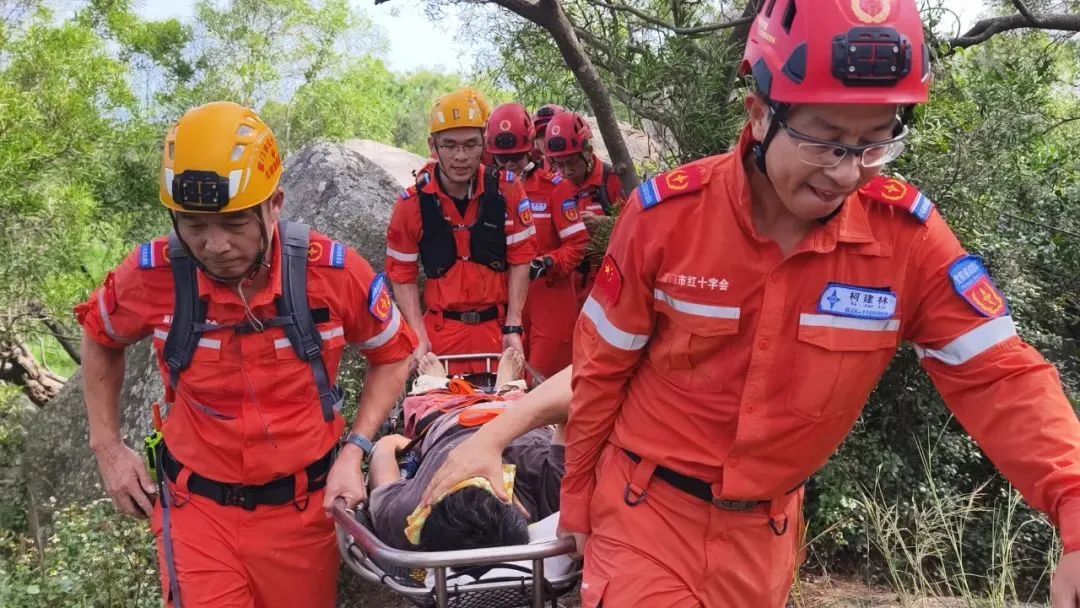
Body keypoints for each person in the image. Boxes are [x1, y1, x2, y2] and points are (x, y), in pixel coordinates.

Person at [560, 1, 1080, 607]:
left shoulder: (906, 241)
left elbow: (1001, 377)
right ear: (761, 114)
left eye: (874, 144)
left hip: (769, 540)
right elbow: (601, 369)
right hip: (645, 517)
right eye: (824, 140)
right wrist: (576, 499)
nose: (846, 170)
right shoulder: (666, 221)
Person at [75, 101, 416, 608]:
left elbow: (393, 352)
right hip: (197, 512)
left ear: (274, 205)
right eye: (193, 225)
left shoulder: (331, 272)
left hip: (304, 513)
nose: (214, 245)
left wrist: (356, 450)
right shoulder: (153, 274)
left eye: (235, 224)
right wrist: (107, 447)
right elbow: (101, 337)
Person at [386, 88, 538, 375]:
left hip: (497, 332)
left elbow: (521, 258)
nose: (461, 156)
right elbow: (401, 274)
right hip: (441, 335)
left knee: (506, 410)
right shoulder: (411, 204)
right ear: (433, 146)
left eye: (470, 145)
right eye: (450, 145)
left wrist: (514, 325)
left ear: (484, 144)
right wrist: (419, 337)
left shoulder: (507, 190)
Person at [367, 350, 564, 551]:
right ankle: (508, 388)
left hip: (450, 421)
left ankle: (438, 386)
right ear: (521, 509)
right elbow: (575, 388)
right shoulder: (556, 494)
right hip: (521, 414)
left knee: (433, 403)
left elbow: (383, 446)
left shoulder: (407, 514)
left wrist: (395, 442)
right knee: (519, 400)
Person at [487, 103, 588, 379]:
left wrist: (546, 262)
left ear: (530, 148)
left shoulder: (554, 189)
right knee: (508, 386)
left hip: (550, 299)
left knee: (543, 390)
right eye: (501, 159)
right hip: (506, 302)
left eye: (516, 158)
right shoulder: (486, 193)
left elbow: (578, 245)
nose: (509, 166)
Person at [544, 111, 625, 308]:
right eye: (558, 164)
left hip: (608, 279)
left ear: (587, 151)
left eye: (571, 162)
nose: (566, 171)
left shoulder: (612, 180)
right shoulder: (554, 186)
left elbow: (638, 228)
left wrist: (604, 224)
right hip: (571, 283)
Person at [531, 104, 564, 169]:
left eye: (552, 133)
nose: (546, 140)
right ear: (536, 142)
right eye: (541, 135)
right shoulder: (536, 169)